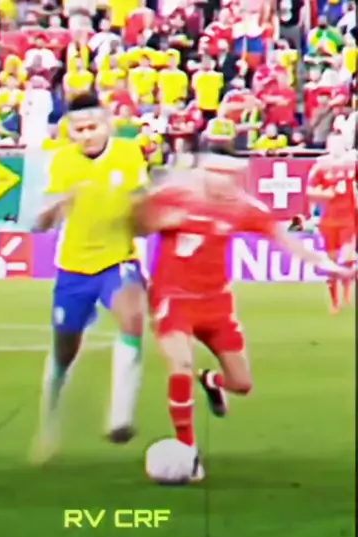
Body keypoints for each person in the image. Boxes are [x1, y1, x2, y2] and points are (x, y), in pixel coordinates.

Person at [133, 152, 355, 481]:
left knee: (242, 384)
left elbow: (287, 241)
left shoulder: (243, 208)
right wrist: (153, 223)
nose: (225, 182)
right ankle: (188, 450)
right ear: (204, 174)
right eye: (218, 174)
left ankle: (212, 382)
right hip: (173, 299)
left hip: (217, 305)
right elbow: (136, 225)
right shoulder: (174, 197)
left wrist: (332, 267)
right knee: (180, 366)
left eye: (231, 176)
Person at [30, 92, 149, 463]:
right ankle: (49, 423)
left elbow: (142, 203)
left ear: (107, 125)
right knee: (65, 349)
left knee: (132, 318)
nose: (86, 135)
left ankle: (120, 417)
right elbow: (40, 224)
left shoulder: (128, 154)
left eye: (92, 127)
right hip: (74, 266)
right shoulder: (62, 162)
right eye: (78, 129)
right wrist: (57, 203)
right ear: (70, 131)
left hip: (118, 259)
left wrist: (145, 213)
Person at [306, 131, 356, 313]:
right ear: (328, 146)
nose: (337, 147)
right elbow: (309, 191)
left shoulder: (352, 164)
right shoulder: (320, 166)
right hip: (328, 221)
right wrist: (323, 194)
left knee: (348, 256)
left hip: (349, 218)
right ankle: (334, 302)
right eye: (334, 144)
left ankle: (348, 294)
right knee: (332, 262)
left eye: (340, 144)